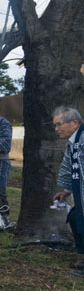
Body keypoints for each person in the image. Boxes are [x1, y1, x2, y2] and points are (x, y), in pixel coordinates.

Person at [52, 106, 84, 276]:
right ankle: (82, 256)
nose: (56, 129)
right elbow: (71, 169)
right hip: (81, 192)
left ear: (74, 122)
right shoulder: (72, 142)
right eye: (55, 125)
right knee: (74, 217)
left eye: (59, 124)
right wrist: (67, 190)